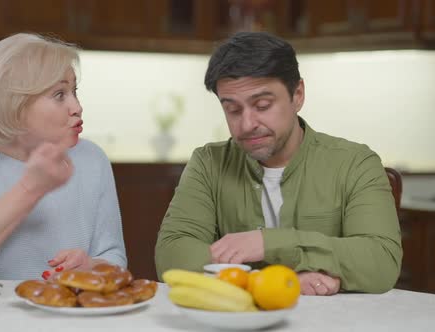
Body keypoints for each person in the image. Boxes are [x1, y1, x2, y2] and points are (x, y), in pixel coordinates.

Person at [154, 32, 402, 295]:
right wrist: (270, 281)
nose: (247, 124)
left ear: (297, 95)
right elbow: (172, 257)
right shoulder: (208, 163)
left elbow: (381, 263)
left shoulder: (355, 164)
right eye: (233, 110)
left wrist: (268, 244)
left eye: (262, 105)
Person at [0, 33, 126, 280]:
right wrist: (30, 188)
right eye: (59, 94)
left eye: (74, 91)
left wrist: (92, 266)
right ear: (13, 103)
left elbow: (114, 261)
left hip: (70, 313)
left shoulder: (92, 158)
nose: (77, 107)